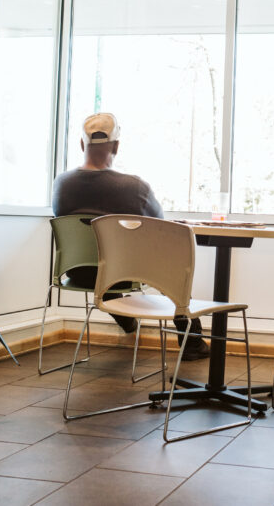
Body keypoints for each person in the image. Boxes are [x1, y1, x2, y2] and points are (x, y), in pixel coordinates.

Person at [51, 112, 209, 359]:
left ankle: (127, 321)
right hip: (122, 276)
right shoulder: (134, 187)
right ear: (116, 146)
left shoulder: (61, 184)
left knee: (104, 261)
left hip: (77, 272)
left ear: (82, 144)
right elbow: (162, 227)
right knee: (175, 259)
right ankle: (191, 343)